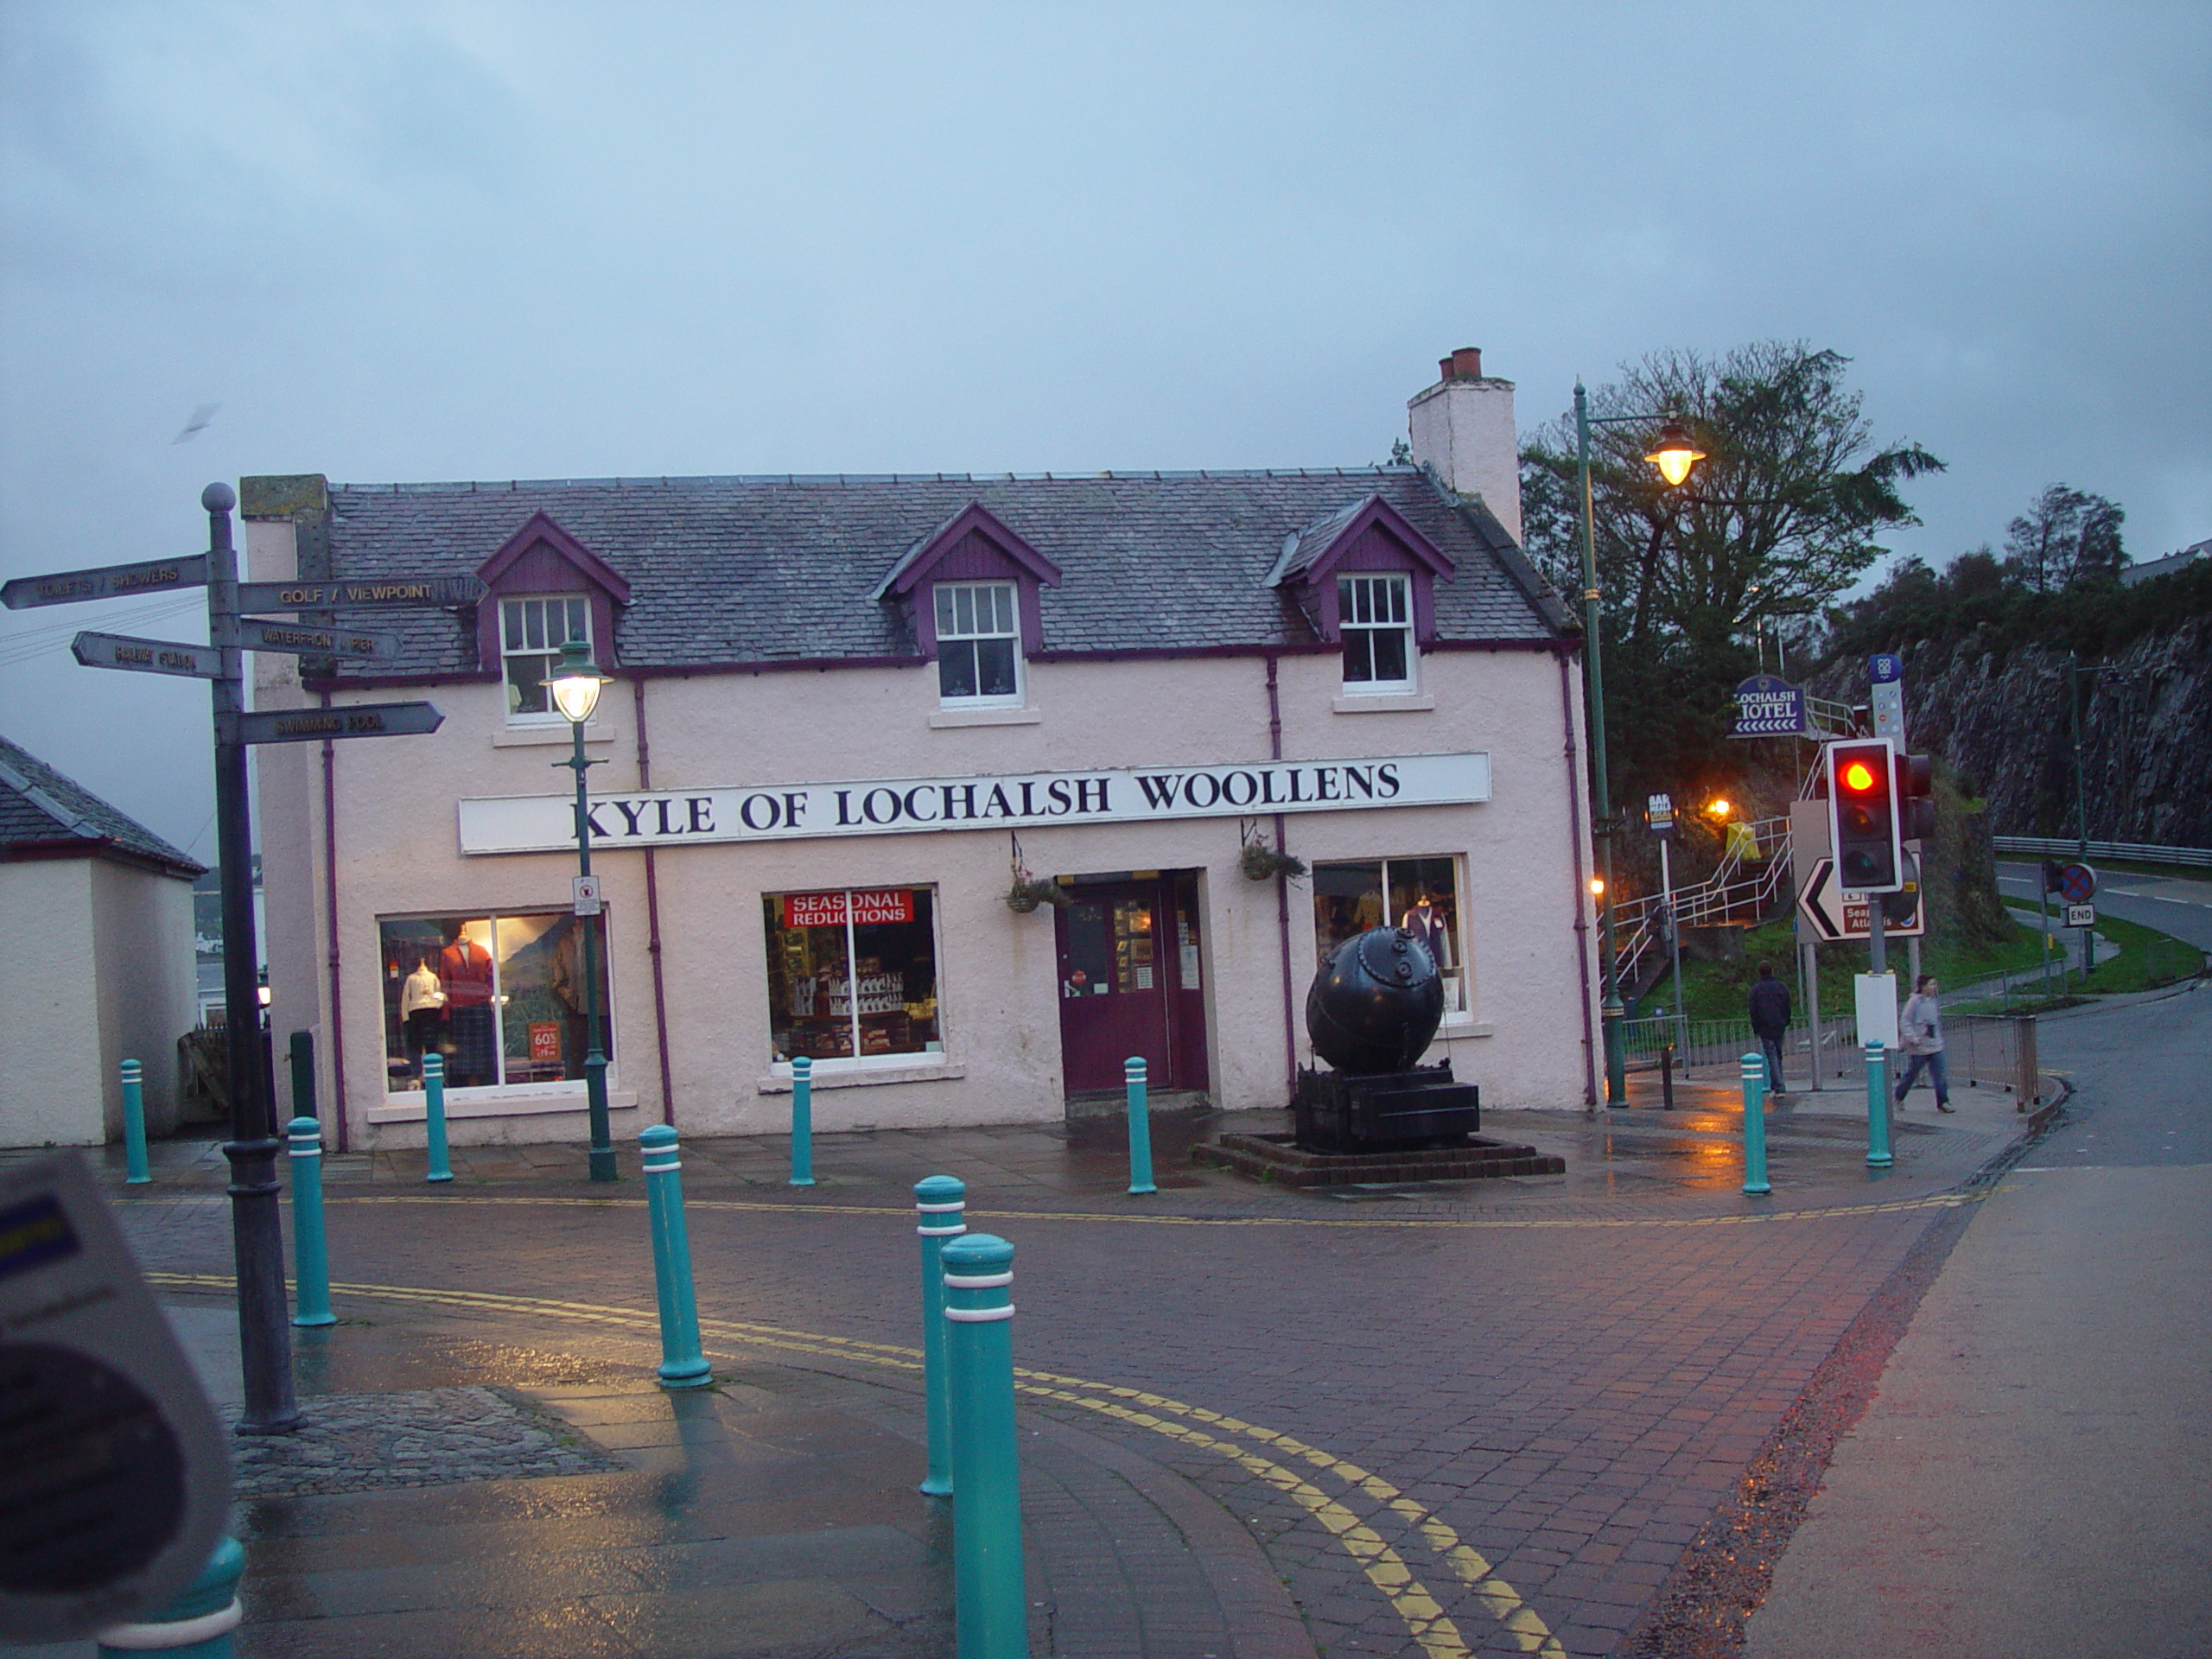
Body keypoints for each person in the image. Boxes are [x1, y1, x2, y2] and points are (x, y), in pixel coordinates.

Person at [1895, 974, 1952, 1112]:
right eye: (1931, 984)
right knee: (1912, 1073)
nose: (1934, 987)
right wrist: (1913, 1038)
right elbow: (1905, 1021)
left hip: (1934, 1044)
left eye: (1935, 984)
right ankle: (1899, 1096)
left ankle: (1943, 1102)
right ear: (1923, 986)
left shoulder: (1933, 1001)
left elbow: (1935, 1021)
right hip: (1919, 1046)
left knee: (1940, 1074)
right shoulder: (1914, 1002)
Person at [1746, 960, 1791, 1097]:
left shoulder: (1756, 990)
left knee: (1772, 1056)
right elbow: (1787, 1006)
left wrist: (1756, 1027)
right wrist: (1785, 1021)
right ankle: (1777, 1085)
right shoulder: (1781, 987)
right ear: (1772, 971)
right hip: (1779, 1025)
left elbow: (1753, 1010)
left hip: (1765, 1027)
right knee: (1778, 1055)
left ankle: (1779, 1086)